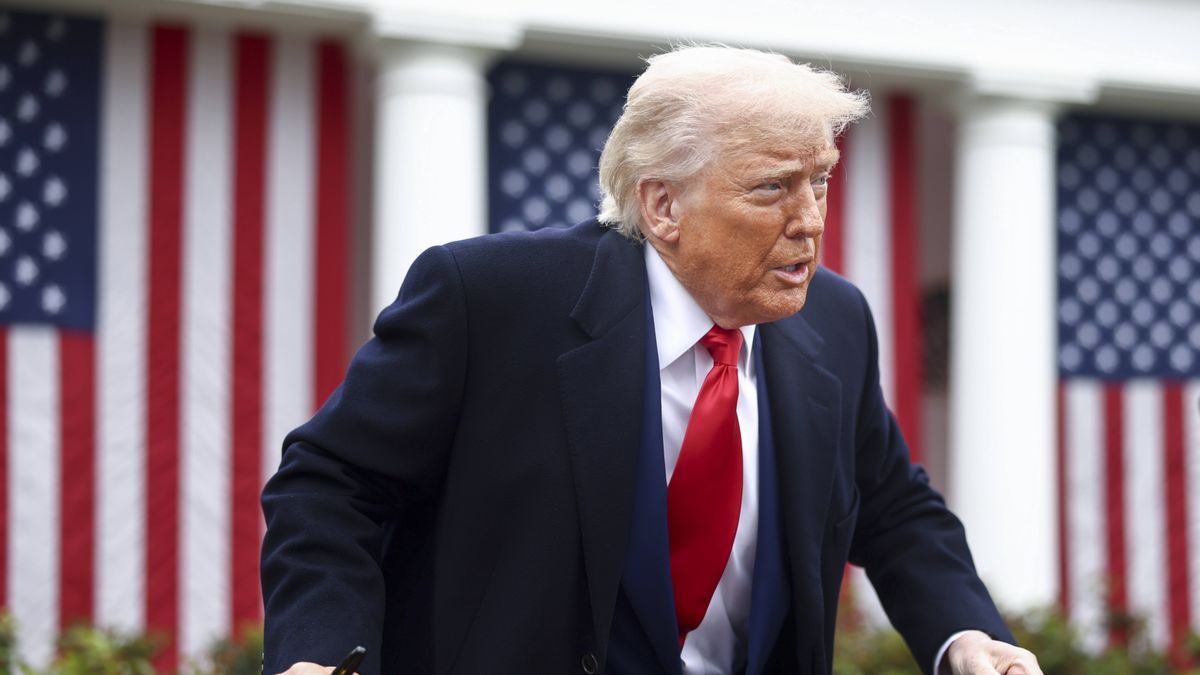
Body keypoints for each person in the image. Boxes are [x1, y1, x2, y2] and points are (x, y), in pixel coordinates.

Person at [261, 46, 1042, 675]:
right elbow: (332, 483)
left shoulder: (837, 320)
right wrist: (320, 653)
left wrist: (965, 634)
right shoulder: (489, 297)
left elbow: (894, 508)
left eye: (822, 182)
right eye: (773, 188)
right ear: (663, 204)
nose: (810, 222)